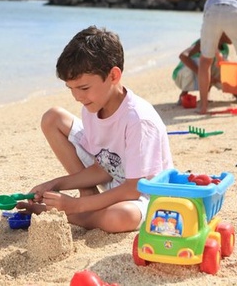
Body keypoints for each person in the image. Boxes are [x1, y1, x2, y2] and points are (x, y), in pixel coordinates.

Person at [17, 26, 173, 233]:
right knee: (52, 117)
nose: (77, 97)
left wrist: (74, 206)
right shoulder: (92, 107)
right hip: (114, 179)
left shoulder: (139, 120)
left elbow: (135, 188)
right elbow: (103, 167)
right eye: (70, 89)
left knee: (121, 217)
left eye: (83, 88)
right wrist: (55, 184)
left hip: (144, 194)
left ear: (114, 76)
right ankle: (87, 198)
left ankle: (67, 214)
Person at [173, 35, 231, 104]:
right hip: (182, 74)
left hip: (199, 72)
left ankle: (206, 96)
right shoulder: (204, 42)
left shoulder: (225, 48)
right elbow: (183, 56)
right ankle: (184, 93)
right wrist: (202, 75)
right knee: (205, 62)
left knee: (222, 63)